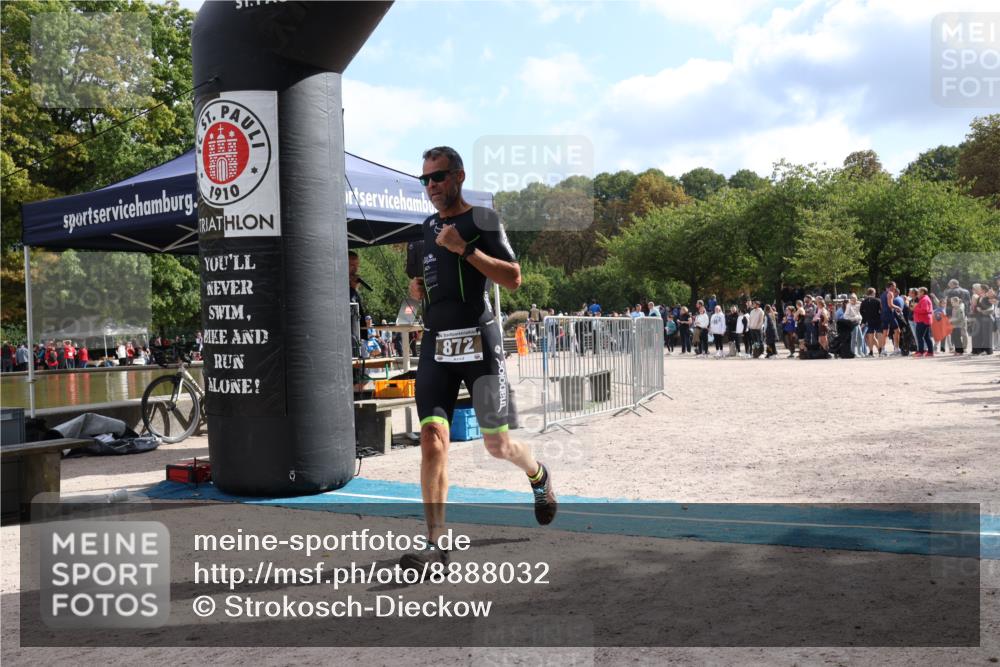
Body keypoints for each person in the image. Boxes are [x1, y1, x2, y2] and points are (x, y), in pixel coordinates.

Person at [404, 146, 555, 568]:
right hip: (437, 344)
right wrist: (416, 290)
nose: (431, 186)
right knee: (433, 441)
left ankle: (537, 474)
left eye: (438, 177)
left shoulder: (481, 220)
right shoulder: (426, 227)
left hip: (478, 343)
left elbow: (514, 278)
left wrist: (464, 249)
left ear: (458, 176)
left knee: (497, 445)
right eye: (425, 180)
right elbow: (422, 278)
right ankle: (436, 543)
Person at [860, 287, 881, 357]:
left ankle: (871, 351)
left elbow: (861, 311)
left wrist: (865, 319)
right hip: (878, 320)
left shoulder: (864, 302)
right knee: (879, 335)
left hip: (869, 320)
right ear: (873, 293)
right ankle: (880, 350)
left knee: (870, 336)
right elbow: (881, 310)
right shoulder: (878, 300)